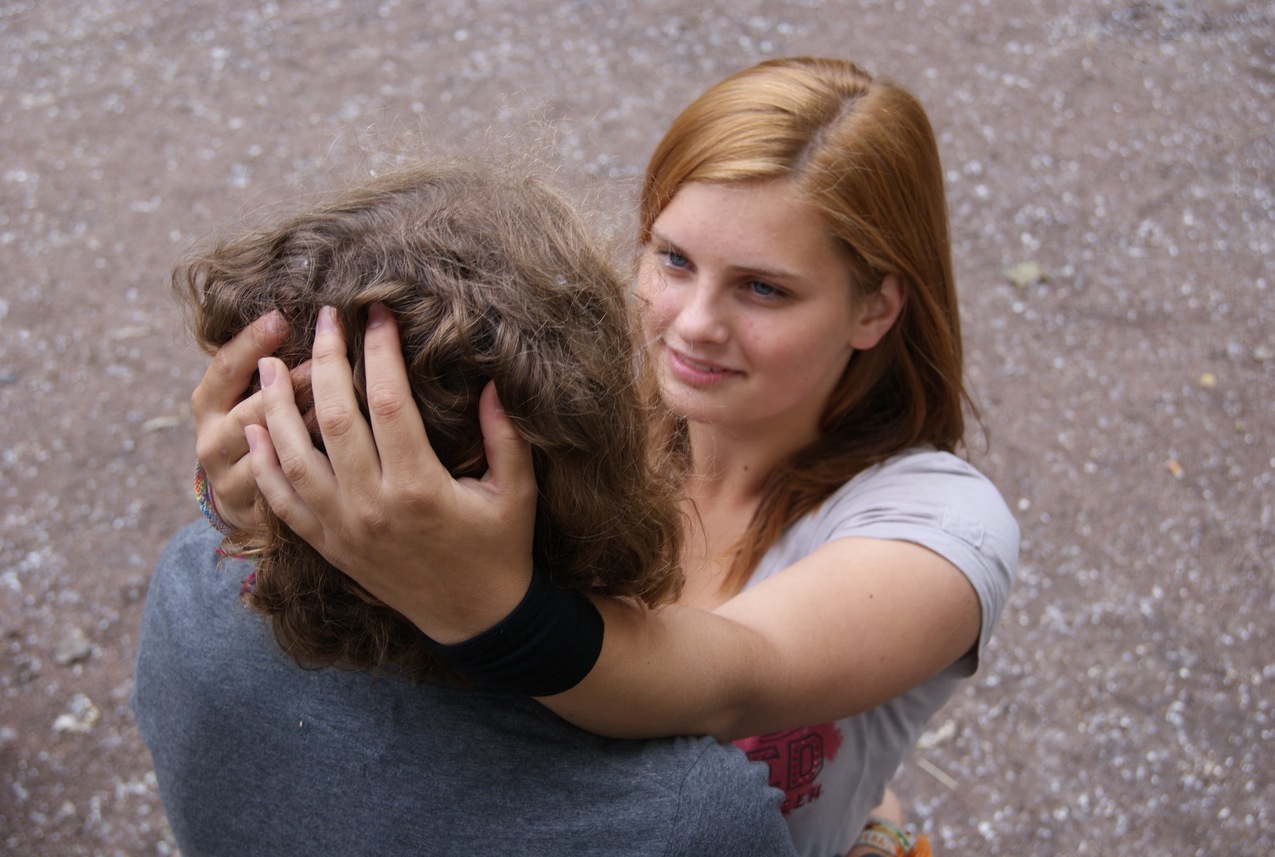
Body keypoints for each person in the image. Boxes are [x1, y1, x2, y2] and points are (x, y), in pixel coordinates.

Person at [198, 58, 1020, 857]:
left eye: (763, 288)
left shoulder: (943, 527)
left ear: (875, 308)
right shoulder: (576, 401)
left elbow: (740, 677)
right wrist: (248, 499)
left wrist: (490, 604)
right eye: (674, 259)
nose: (692, 323)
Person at [133, 161, 798, 857]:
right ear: (588, 455)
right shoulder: (686, 818)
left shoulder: (189, 590)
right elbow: (755, 678)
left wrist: (229, 504)